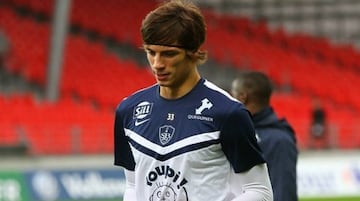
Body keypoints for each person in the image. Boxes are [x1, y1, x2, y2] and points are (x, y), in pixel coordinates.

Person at [114, 1, 273, 201]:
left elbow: (260, 191)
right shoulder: (128, 111)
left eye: (169, 54)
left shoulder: (228, 113)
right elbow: (132, 185)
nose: (157, 64)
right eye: (151, 52)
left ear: (194, 52)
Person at [231, 71, 298, 201]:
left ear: (242, 97)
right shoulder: (237, 130)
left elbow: (283, 190)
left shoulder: (279, 140)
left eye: (232, 94)